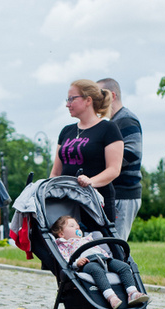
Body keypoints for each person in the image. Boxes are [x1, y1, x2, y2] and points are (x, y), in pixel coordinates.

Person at [51, 79, 123, 226]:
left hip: (95, 204)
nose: (67, 104)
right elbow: (55, 172)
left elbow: (114, 169)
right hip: (67, 203)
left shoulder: (108, 129)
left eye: (72, 99)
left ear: (88, 100)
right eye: (67, 99)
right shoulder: (66, 131)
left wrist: (91, 182)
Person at [51, 215, 148, 309]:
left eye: (78, 226)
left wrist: (108, 258)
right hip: (87, 263)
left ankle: (132, 293)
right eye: (72, 226)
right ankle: (111, 297)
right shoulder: (64, 244)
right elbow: (65, 260)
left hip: (103, 259)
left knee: (124, 267)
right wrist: (76, 263)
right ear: (61, 234)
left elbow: (100, 250)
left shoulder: (87, 239)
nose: (77, 227)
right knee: (96, 270)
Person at [97, 78, 143, 241]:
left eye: (99, 94)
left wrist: (103, 164)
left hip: (125, 193)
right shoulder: (114, 122)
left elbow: (132, 153)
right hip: (116, 192)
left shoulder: (126, 119)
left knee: (116, 245)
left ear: (112, 95)